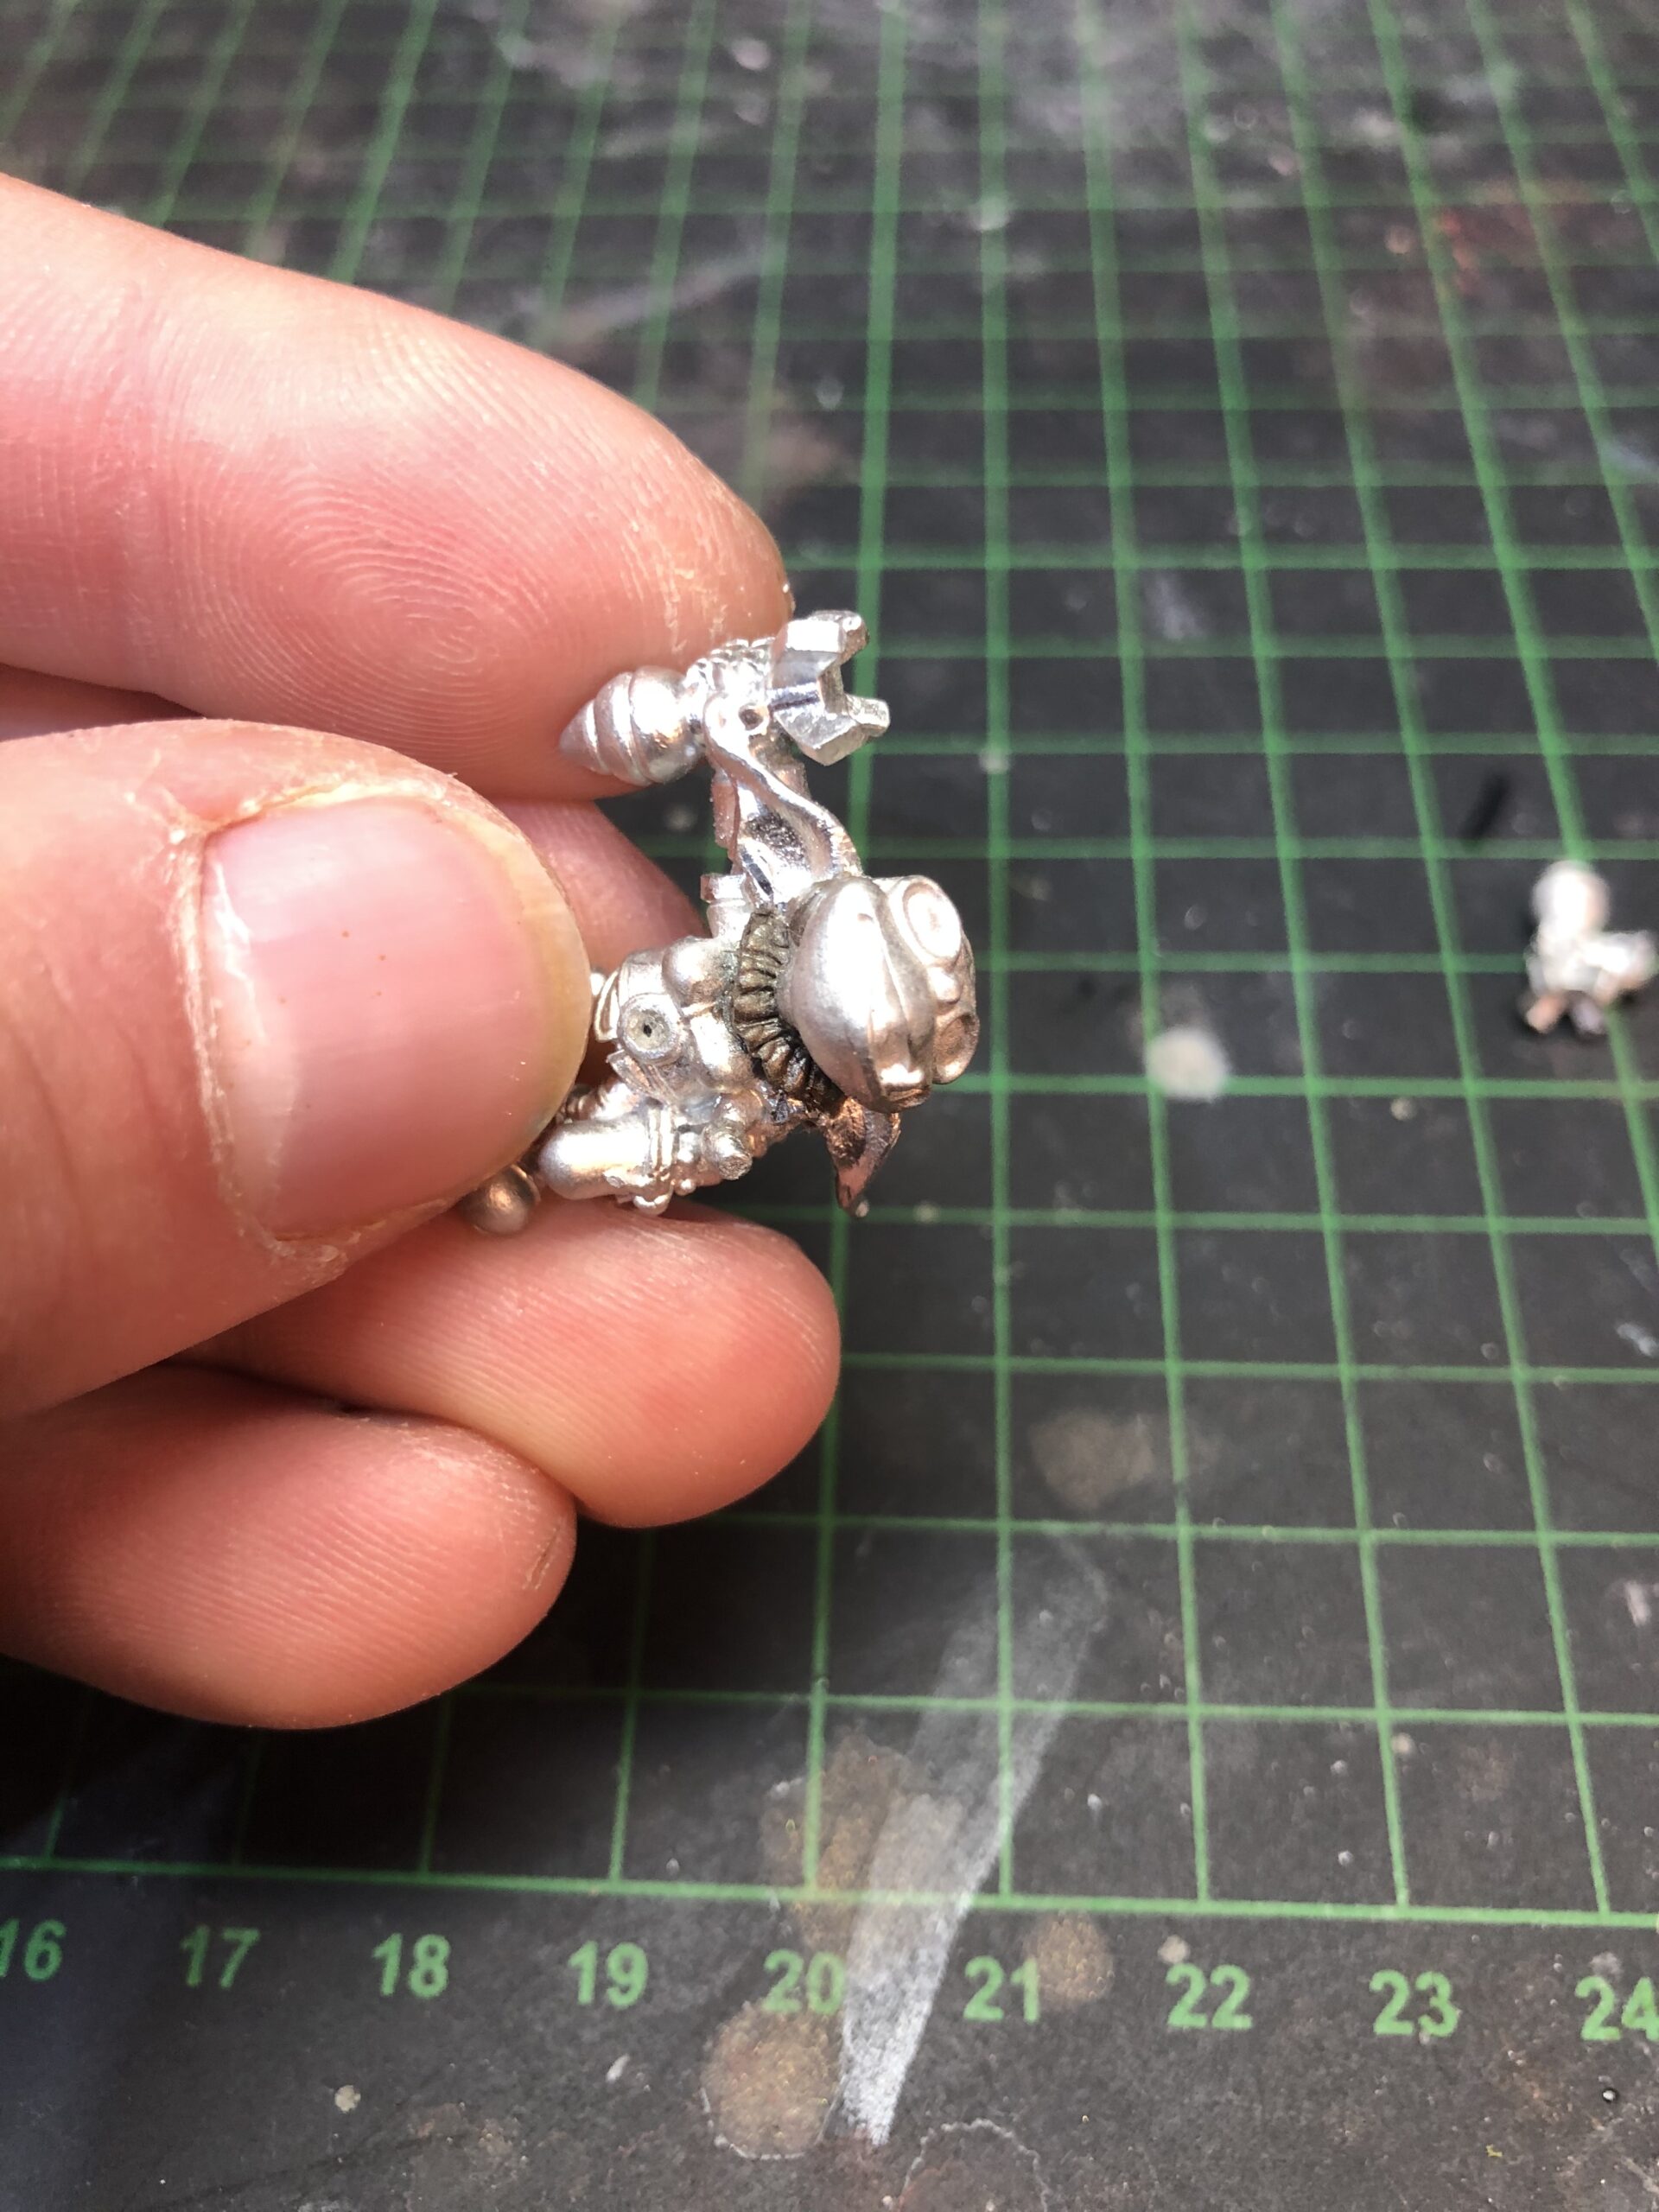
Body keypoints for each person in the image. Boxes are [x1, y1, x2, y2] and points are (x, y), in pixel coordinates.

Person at [0, 176, 841, 1729]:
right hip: (607, 1026)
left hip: (618, 1081)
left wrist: (641, 1141)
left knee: (571, 1169)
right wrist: (738, 727)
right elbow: (761, 823)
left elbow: (687, 1124)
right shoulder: (784, 906)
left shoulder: (759, 1080)